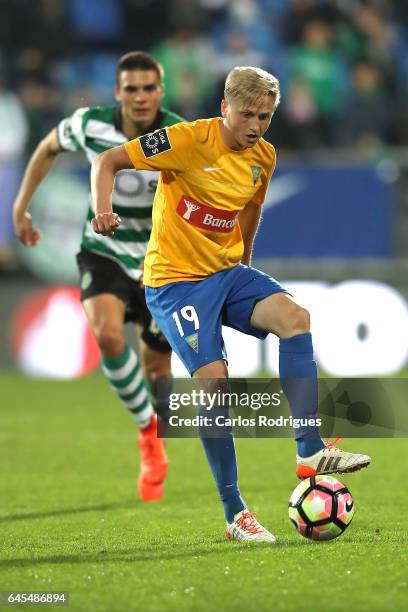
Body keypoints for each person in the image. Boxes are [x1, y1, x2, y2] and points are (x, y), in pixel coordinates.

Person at [90, 66, 371, 543]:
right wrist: (102, 209)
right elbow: (108, 162)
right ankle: (234, 512)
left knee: (295, 317)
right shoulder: (184, 140)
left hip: (226, 273)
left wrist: (244, 264)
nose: (256, 126)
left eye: (265, 116)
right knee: (216, 388)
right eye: (247, 115)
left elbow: (251, 208)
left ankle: (309, 449)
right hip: (175, 283)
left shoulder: (264, 156)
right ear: (224, 108)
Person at [13, 51, 184, 502]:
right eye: (132, 88)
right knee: (108, 337)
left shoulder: (179, 134)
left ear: (161, 91)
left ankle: (157, 429)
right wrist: (21, 203)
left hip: (159, 262)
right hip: (104, 252)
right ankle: (147, 432)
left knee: (158, 373)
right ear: (117, 92)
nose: (141, 96)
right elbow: (48, 146)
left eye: (149, 88)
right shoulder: (89, 124)